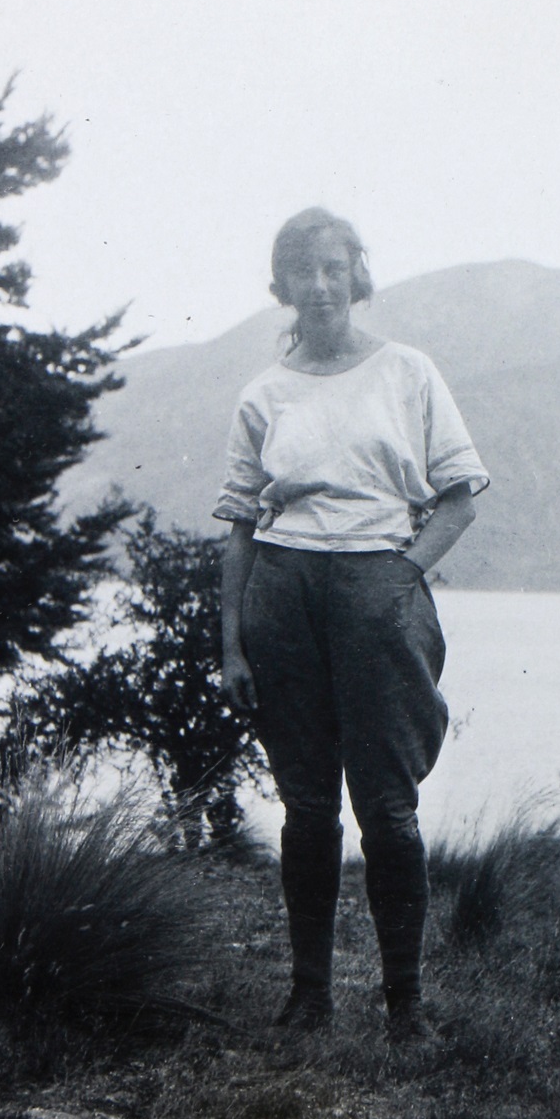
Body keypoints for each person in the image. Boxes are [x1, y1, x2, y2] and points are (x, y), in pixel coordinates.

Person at [214, 208, 488, 1041]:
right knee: (306, 808)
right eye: (304, 270)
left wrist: (401, 573)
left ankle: (405, 1005)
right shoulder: (265, 391)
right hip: (284, 594)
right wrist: (231, 640)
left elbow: (460, 493)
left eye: (335, 268)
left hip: (378, 591)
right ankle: (309, 999)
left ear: (356, 274)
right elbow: (238, 524)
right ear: (284, 285)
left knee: (388, 807)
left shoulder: (407, 371)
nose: (321, 285)